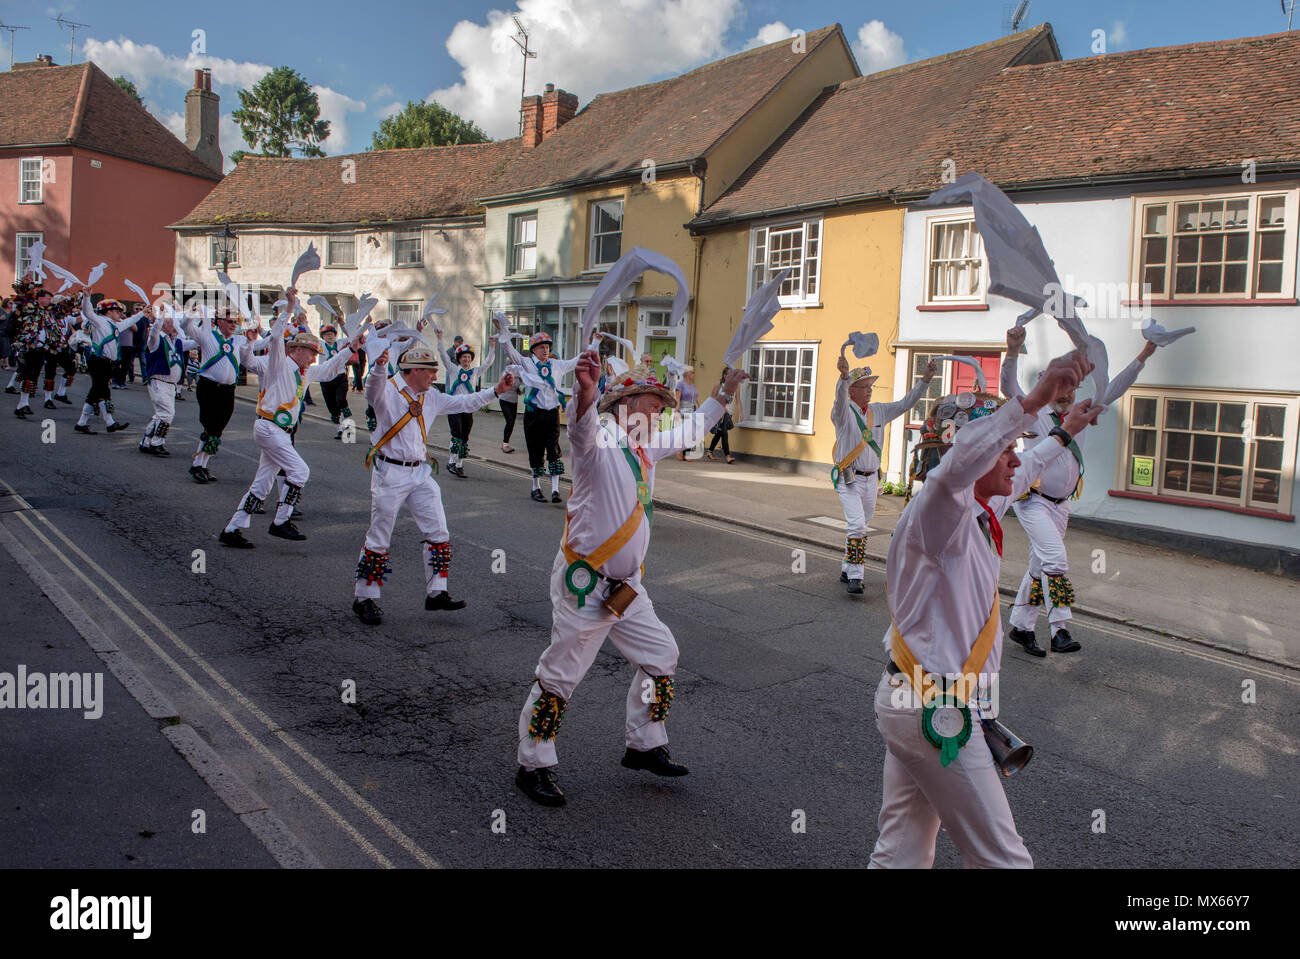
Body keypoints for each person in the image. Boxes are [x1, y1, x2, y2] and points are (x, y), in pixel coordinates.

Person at [869, 348, 1102, 869]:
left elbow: (1029, 467)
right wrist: (1035, 398)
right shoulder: (940, 508)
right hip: (933, 705)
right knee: (1004, 862)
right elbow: (958, 467)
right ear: (973, 454)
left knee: (902, 851)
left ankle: (1045, 620)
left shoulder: (982, 506)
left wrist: (1064, 430)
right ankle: (1055, 622)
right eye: (1005, 451)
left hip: (923, 695)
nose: (1016, 458)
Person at [513, 357, 749, 808]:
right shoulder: (598, 442)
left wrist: (725, 391)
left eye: (663, 404)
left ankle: (643, 744)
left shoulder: (646, 448)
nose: (661, 410)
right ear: (623, 405)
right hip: (585, 584)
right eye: (653, 402)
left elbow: (693, 428)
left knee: (662, 655)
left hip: (626, 589)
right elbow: (580, 427)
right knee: (561, 675)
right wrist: (586, 391)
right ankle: (533, 764)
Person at [1000, 326, 1160, 657]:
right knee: (1055, 559)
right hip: (1034, 503)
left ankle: (1021, 627)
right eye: (1060, 387)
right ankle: (1059, 629)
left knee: (1038, 567)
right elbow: (1008, 386)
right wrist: (1013, 351)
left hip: (1061, 505)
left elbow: (1115, 387)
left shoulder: (1082, 412)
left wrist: (1144, 355)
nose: (1067, 393)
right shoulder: (1034, 415)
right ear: (1047, 387)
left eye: (1071, 387)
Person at [351, 345, 516, 625]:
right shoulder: (387, 390)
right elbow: (371, 391)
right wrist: (378, 367)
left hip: (420, 472)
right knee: (380, 535)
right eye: (430, 371)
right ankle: (364, 597)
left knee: (439, 531)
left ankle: (436, 593)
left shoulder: (431, 396)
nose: (434, 376)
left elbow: (464, 403)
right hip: (390, 472)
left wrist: (496, 391)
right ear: (414, 371)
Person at [218, 293, 360, 548]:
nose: (315, 357)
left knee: (263, 483)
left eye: (316, 352)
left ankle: (233, 528)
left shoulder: (305, 373)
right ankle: (281, 521)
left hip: (280, 431)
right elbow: (273, 338)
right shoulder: (278, 363)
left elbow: (329, 369)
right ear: (296, 350)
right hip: (269, 426)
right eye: (311, 352)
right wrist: (289, 308)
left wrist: (350, 349)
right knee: (300, 471)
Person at [832, 356, 937, 595]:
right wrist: (843, 378)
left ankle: (847, 567)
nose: (870, 390)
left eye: (871, 386)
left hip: (871, 479)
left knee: (862, 523)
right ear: (853, 390)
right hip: (848, 478)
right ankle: (856, 577)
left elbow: (904, 404)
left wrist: (925, 381)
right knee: (857, 525)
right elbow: (839, 401)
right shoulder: (842, 413)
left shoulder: (879, 411)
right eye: (865, 386)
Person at [500, 331, 580, 503]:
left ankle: (555, 490)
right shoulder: (527, 363)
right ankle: (536, 487)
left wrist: (593, 345)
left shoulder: (556, 365)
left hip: (552, 413)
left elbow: (576, 362)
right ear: (534, 350)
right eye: (542, 347)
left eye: (547, 347)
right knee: (535, 450)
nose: (545, 350)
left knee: (553, 449)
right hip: (533, 414)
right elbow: (510, 352)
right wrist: (504, 332)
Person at [184, 308, 252, 484]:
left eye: (235, 322)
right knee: (210, 426)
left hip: (228, 390)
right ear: (219, 321)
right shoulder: (207, 336)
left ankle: (202, 464)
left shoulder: (238, 340)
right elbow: (186, 326)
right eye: (229, 321)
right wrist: (193, 312)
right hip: (209, 387)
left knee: (218, 429)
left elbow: (260, 344)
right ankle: (198, 464)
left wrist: (255, 337)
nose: (233, 325)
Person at [75, 294, 144, 434]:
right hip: (98, 360)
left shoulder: (115, 325)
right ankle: (109, 423)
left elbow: (130, 321)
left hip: (107, 362)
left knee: (97, 391)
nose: (121, 314)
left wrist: (143, 312)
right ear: (109, 312)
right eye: (118, 311)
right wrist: (87, 297)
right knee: (102, 391)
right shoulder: (99, 321)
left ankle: (83, 423)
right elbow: (88, 312)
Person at [138, 303, 198, 456]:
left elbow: (196, 342)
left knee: (160, 414)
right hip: (159, 382)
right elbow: (154, 333)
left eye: (174, 323)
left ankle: (146, 441)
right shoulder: (156, 341)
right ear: (164, 326)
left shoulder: (177, 343)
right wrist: (161, 317)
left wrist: (205, 329)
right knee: (167, 414)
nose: (175, 326)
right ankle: (157, 442)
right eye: (171, 323)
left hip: (171, 385)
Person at [436, 334, 495, 477]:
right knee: (456, 434)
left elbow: (488, 363)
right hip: (454, 406)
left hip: (468, 407)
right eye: (464, 357)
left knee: (465, 436)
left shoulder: (475, 371)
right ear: (458, 358)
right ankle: (451, 461)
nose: (466, 360)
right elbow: (443, 354)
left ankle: (460, 464)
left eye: (469, 357)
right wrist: (439, 339)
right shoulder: (453, 369)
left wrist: (492, 347)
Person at [318, 324, 356, 439]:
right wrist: (303, 322)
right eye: (326, 334)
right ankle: (339, 429)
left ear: (335, 335)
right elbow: (309, 334)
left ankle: (348, 427)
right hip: (325, 379)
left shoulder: (339, 343)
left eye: (331, 334)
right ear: (322, 337)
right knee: (332, 406)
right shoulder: (320, 345)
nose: (329, 336)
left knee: (341, 400)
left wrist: (342, 323)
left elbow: (352, 335)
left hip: (340, 377)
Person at [705, 367, 742, 463]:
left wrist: (741, 413)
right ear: (725, 375)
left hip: (729, 413)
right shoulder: (719, 384)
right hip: (719, 412)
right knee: (724, 433)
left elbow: (738, 401)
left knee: (719, 433)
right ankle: (728, 456)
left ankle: (709, 451)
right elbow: (712, 398)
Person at [673, 366, 699, 462]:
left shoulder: (692, 385)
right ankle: (681, 452)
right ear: (687, 373)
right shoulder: (680, 384)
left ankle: (686, 453)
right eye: (692, 372)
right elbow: (678, 398)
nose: (694, 374)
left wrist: (700, 408)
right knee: (684, 432)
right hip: (683, 410)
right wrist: (676, 411)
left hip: (693, 410)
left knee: (691, 432)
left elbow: (695, 399)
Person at [499, 375, 519, 453]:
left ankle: (506, 443)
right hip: (504, 400)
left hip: (514, 401)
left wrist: (518, 390)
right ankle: (505, 445)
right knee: (509, 421)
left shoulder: (518, 375)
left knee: (512, 423)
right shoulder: (506, 374)